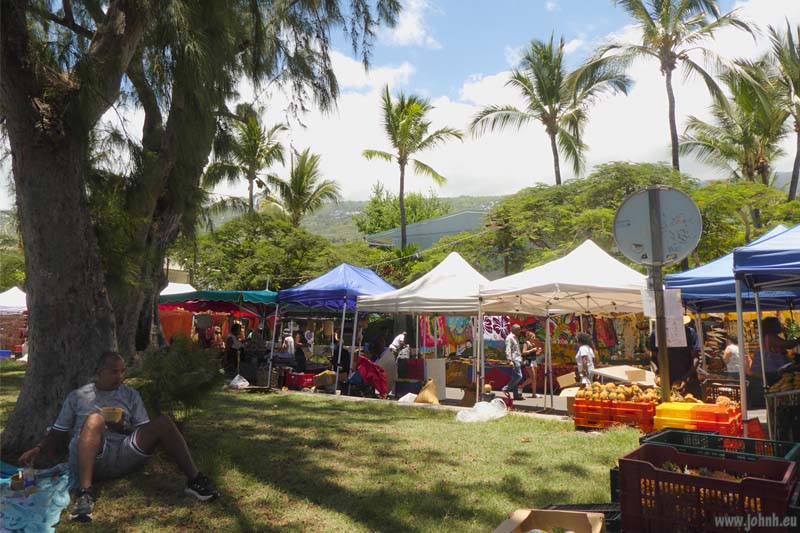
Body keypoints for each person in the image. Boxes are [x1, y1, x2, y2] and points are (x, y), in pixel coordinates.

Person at [17, 352, 218, 522]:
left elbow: (142, 432)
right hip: (89, 458)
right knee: (95, 420)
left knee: (163, 422)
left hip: (123, 453)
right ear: (99, 372)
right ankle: (85, 495)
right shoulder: (78, 396)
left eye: (122, 371)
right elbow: (58, 430)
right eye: (114, 371)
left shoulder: (130, 395)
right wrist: (38, 449)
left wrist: (122, 427)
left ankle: (196, 481)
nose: (119, 376)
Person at [648, 316, 701, 397]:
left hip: (688, 380)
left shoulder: (689, 333)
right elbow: (653, 358)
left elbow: (696, 359)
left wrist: (685, 378)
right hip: (666, 382)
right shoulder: (656, 334)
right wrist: (658, 374)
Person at [751, 317, 798, 383]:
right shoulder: (770, 336)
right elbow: (787, 345)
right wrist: (798, 340)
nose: (780, 325)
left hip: (769, 370)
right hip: (771, 370)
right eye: (778, 324)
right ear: (772, 326)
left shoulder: (770, 336)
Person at [502, 324, 524, 400]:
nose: (520, 331)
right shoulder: (510, 338)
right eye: (518, 329)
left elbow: (516, 350)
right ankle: (506, 388)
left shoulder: (515, 338)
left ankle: (516, 395)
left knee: (515, 377)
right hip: (514, 359)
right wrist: (510, 360)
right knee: (519, 376)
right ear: (514, 330)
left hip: (518, 359)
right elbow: (508, 350)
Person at [518, 330, 542, 398]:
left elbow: (534, 354)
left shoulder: (533, 344)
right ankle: (521, 386)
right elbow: (523, 352)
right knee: (532, 377)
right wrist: (532, 350)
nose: (534, 338)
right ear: (529, 337)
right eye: (533, 337)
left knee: (534, 378)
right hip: (529, 361)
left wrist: (538, 352)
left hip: (534, 361)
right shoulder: (526, 343)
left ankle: (534, 394)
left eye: (535, 337)